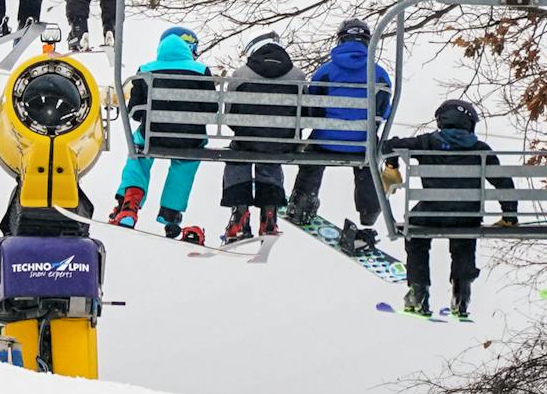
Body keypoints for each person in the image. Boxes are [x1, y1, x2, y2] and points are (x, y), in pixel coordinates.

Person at [381, 99, 518, 318]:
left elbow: (388, 146)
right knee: (464, 240)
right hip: (466, 215)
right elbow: (503, 182)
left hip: (430, 214)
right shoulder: (480, 149)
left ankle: (418, 290)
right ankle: (461, 294)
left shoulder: (425, 142)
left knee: (416, 239)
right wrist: (509, 214)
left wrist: (391, 167)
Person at [283, 17, 392, 232]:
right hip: (362, 142)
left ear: (340, 40)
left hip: (326, 139)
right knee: (370, 161)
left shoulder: (325, 71)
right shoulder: (379, 73)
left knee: (312, 157)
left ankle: (302, 204)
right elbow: (383, 109)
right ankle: (369, 211)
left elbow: (312, 107)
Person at [108, 25, 214, 241]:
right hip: (189, 139)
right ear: (190, 48)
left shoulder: (146, 69)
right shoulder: (201, 71)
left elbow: (135, 112)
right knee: (185, 162)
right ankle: (170, 213)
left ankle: (130, 203)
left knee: (138, 151)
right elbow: (210, 110)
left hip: (153, 135)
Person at [220, 31, 304, 241]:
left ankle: (240, 212)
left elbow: (230, 114)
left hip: (247, 140)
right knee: (271, 156)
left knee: (237, 156)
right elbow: (306, 114)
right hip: (282, 141)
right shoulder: (297, 76)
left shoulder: (241, 74)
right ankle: (269, 214)